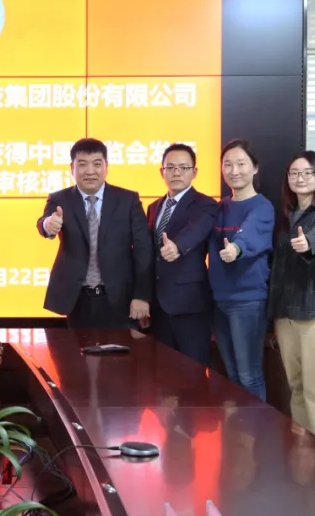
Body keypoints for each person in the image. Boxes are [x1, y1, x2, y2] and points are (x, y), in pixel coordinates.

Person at [37, 137, 153, 328]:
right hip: (76, 299)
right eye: (82, 164)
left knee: (121, 349)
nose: (90, 171)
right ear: (72, 168)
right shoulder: (60, 199)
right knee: (76, 348)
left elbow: (144, 250)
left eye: (97, 164)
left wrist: (141, 295)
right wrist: (48, 224)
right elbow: (44, 222)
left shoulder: (127, 200)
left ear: (106, 167)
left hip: (120, 298)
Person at [267, 151, 315, 443]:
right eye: (295, 173)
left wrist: (307, 243)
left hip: (314, 312)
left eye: (308, 173)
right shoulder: (285, 215)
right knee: (296, 386)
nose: (300, 178)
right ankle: (303, 450)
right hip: (284, 312)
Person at [209, 139, 274, 401]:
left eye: (241, 164)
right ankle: (241, 426)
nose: (234, 171)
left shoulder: (262, 206)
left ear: (255, 168)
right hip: (219, 300)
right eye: (228, 164)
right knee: (233, 375)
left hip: (247, 301)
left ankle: (257, 426)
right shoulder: (220, 206)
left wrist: (235, 249)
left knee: (249, 376)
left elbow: (250, 235)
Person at [146, 143, 218, 365]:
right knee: (164, 371)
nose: (176, 172)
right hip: (158, 304)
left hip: (190, 303)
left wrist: (177, 246)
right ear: (162, 172)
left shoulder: (205, 204)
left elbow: (197, 229)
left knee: (193, 371)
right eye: (171, 167)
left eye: (183, 167)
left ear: (194, 172)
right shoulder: (154, 207)